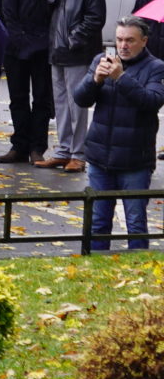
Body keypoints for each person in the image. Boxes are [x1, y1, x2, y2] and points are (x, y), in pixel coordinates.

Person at [73, 18, 163, 252]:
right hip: (100, 157)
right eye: (119, 39)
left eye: (130, 40)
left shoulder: (156, 68)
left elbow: (151, 102)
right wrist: (95, 80)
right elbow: (80, 99)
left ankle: (139, 270)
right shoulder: (101, 61)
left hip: (135, 161)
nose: (123, 45)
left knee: (135, 223)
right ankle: (93, 270)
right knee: (98, 222)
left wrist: (121, 78)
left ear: (144, 41)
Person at [43, 0, 107, 172]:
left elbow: (95, 18)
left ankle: (78, 154)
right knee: (61, 103)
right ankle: (64, 149)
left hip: (76, 52)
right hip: (58, 50)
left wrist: (72, 40)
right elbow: (58, 12)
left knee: (76, 103)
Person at [0, 0, 55, 165]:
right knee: (18, 97)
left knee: (42, 98)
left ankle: (37, 146)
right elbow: (9, 1)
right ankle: (20, 144)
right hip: (18, 42)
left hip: (43, 45)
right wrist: (17, 33)